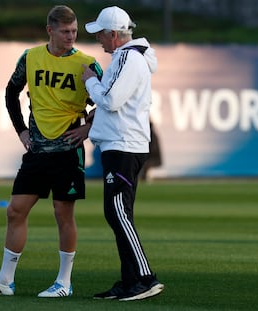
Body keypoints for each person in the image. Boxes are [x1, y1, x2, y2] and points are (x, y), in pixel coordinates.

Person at [0, 5, 102, 298]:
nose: (71, 36)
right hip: (37, 152)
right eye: (65, 31)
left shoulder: (86, 63)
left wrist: (88, 129)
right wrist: (21, 130)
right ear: (50, 30)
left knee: (62, 213)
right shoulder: (30, 58)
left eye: (74, 31)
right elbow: (10, 92)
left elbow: (107, 102)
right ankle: (5, 281)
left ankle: (64, 283)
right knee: (16, 211)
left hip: (68, 152)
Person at [81, 6, 164, 301]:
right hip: (120, 145)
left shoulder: (129, 58)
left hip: (124, 146)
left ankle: (145, 278)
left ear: (114, 35)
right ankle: (130, 281)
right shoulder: (127, 57)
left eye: (101, 34)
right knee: (118, 213)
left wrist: (89, 79)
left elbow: (111, 100)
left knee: (118, 214)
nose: (99, 40)